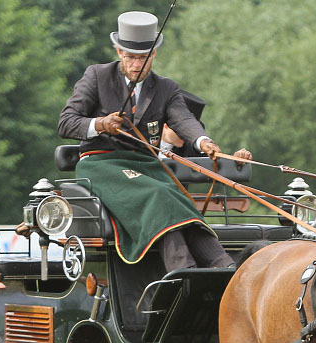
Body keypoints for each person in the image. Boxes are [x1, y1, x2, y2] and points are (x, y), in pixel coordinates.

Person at [58, 10, 251, 271]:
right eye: (131, 58)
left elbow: (183, 120)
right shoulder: (96, 76)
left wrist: (204, 142)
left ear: (154, 55)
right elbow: (66, 122)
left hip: (145, 166)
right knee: (160, 193)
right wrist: (100, 124)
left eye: (143, 58)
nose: (137, 65)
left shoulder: (166, 88)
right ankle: (183, 271)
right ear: (119, 52)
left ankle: (226, 269)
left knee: (178, 199)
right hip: (101, 165)